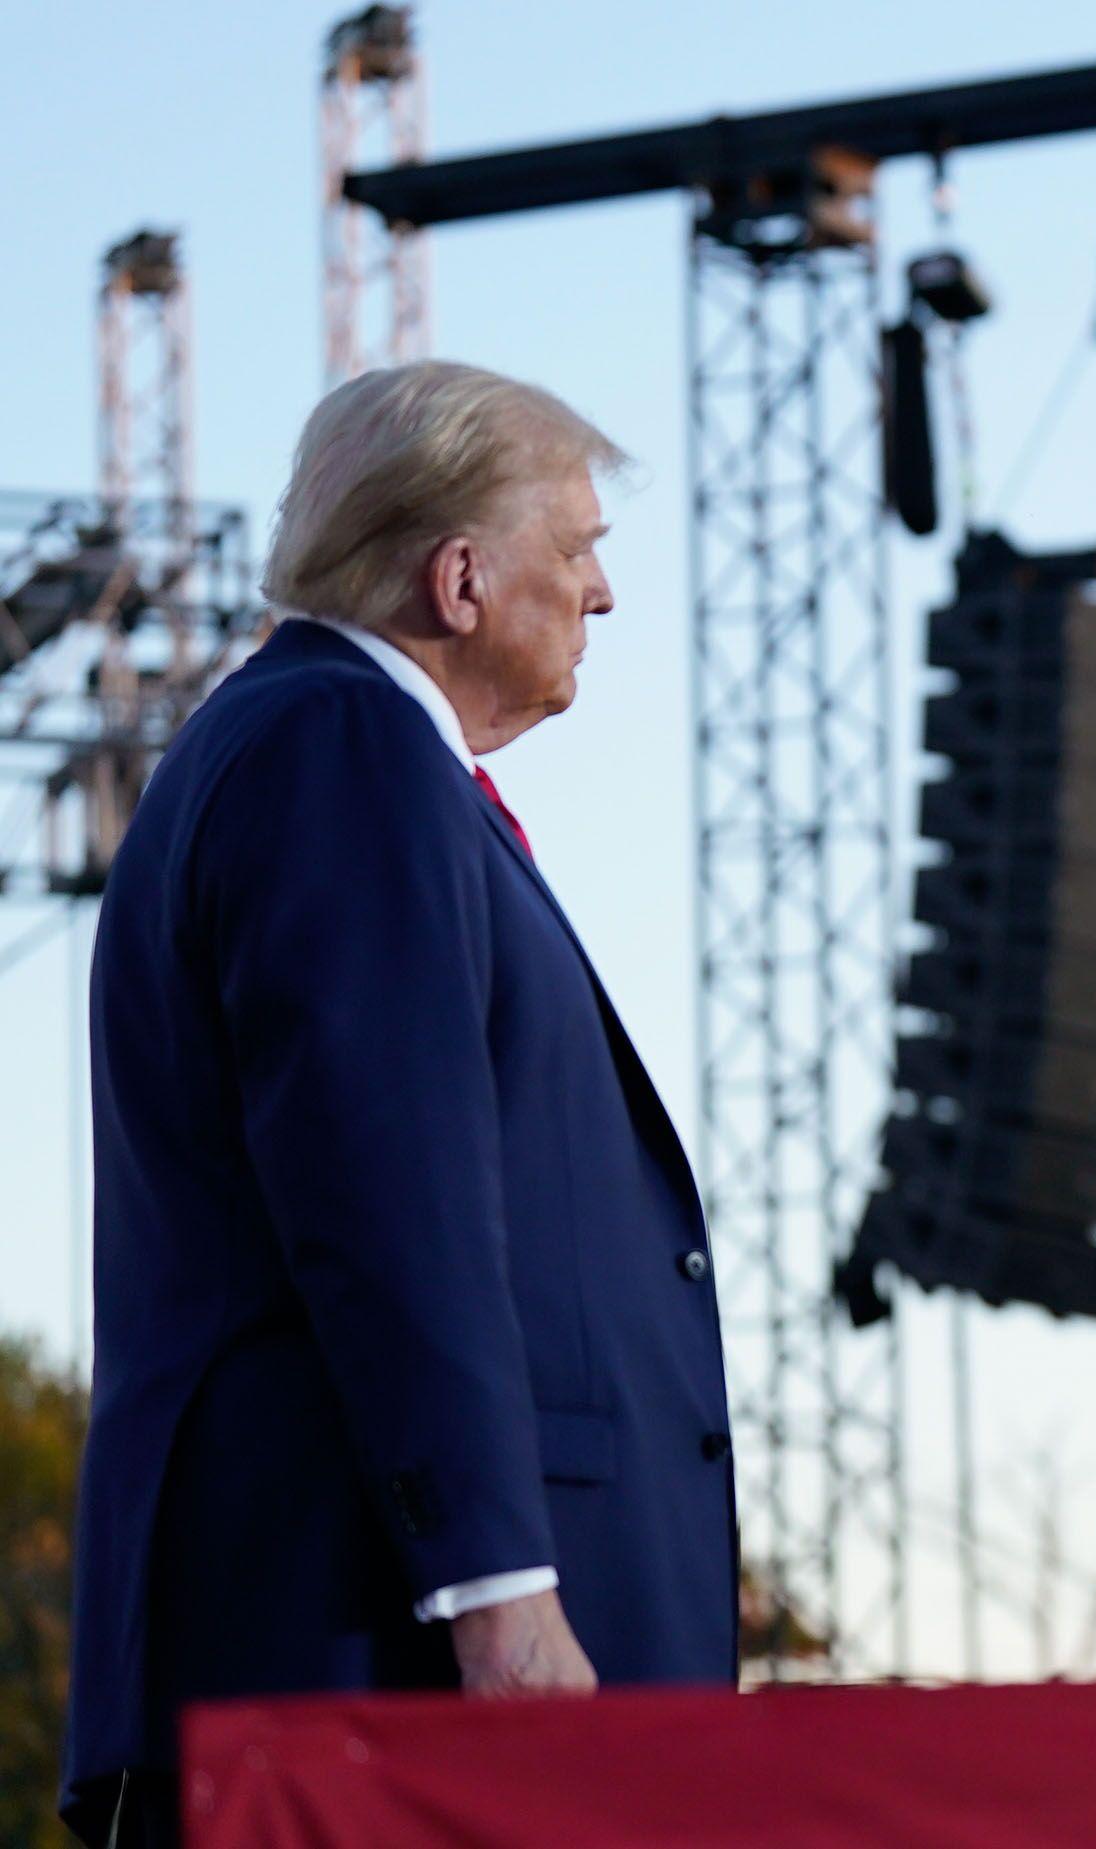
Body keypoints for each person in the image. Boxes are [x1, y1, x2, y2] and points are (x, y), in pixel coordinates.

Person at [63, 363, 736, 1844]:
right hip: (377, 1656)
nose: (604, 595)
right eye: (578, 549)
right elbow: (389, 1196)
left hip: (363, 1647)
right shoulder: (342, 748)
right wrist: (495, 1586)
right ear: (463, 574)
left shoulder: (306, 750)